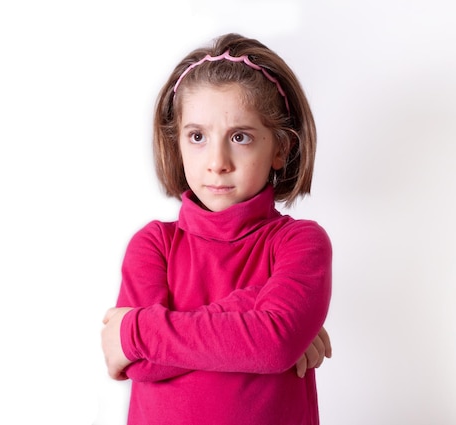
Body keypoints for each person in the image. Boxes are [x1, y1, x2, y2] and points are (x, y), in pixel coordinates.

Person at [101, 33, 333, 425]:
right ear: (177, 146)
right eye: (197, 137)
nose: (217, 161)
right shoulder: (153, 244)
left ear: (279, 149)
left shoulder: (300, 242)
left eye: (240, 137)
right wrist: (259, 318)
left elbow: (273, 345)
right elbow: (140, 365)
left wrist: (137, 329)